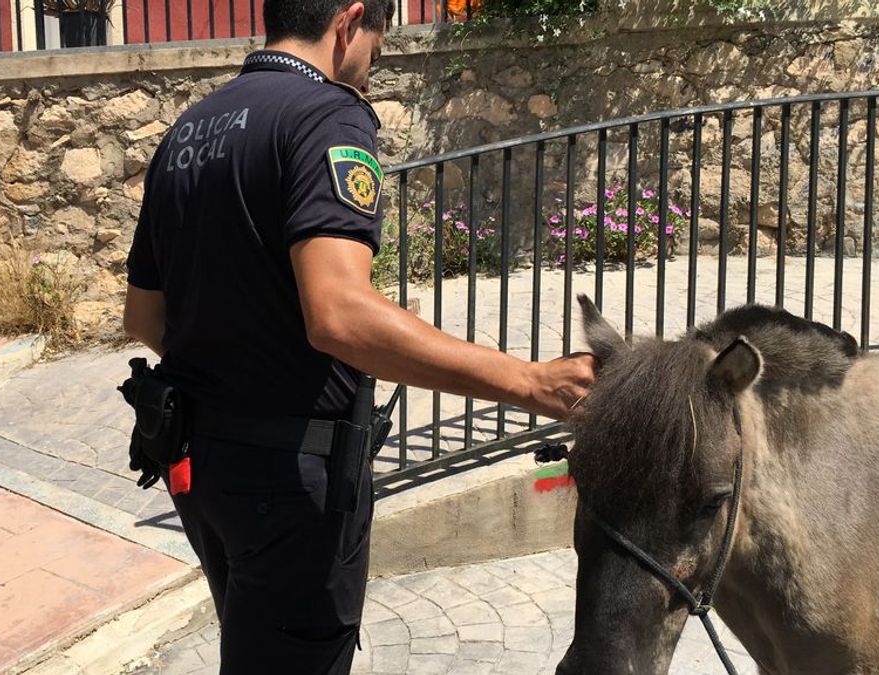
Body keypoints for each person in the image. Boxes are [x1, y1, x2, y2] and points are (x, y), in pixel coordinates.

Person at [121, 1, 596, 672]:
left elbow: (143, 319)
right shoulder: (327, 115)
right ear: (346, 25)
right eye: (378, 41)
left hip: (200, 467)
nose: (375, 63)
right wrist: (532, 381)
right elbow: (340, 313)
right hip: (290, 482)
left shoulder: (189, 129)